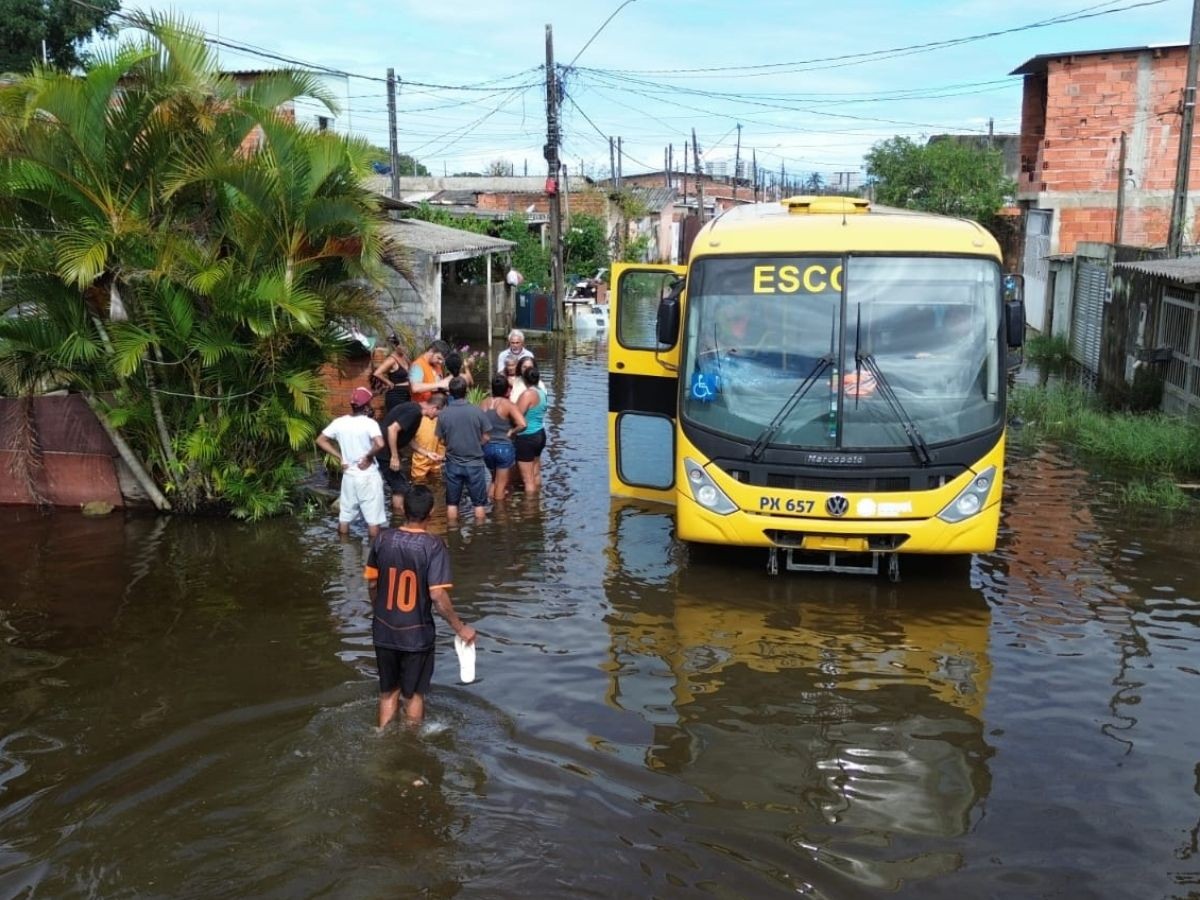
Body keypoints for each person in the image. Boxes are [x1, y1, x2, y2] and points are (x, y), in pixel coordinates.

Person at [364, 485, 477, 728]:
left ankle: (382, 737)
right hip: (416, 634)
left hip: (383, 629)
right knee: (413, 694)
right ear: (431, 511)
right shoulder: (433, 545)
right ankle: (412, 747)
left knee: (387, 692)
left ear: (403, 509)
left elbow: (372, 583)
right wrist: (460, 628)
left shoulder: (382, 539)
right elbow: (437, 595)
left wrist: (380, 611)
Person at [316, 386, 387, 540]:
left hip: (349, 475)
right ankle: (373, 555)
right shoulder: (370, 423)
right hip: (368, 475)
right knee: (373, 520)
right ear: (367, 405)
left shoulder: (339, 422)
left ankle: (346, 557)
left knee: (345, 517)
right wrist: (368, 457)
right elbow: (380, 444)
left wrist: (340, 456)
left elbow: (320, 440)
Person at [435, 376, 491, 522]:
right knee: (479, 505)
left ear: (450, 393)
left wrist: (451, 444)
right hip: (474, 463)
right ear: (466, 391)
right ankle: (480, 535)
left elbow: (440, 439)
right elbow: (487, 436)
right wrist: (477, 444)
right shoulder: (477, 411)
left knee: (452, 504)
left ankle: (453, 533)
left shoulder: (443, 414)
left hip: (453, 464)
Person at [377, 398, 441, 512]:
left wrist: (427, 454)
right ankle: (399, 517)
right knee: (401, 488)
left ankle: (396, 517)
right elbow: (392, 429)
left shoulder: (416, 412)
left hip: (386, 451)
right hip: (385, 452)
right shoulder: (414, 412)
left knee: (399, 487)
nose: (436, 417)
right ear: (434, 408)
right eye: (437, 414)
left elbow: (409, 439)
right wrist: (394, 456)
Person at [479, 373, 526, 501]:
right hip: (503, 447)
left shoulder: (483, 403)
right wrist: (512, 431)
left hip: (486, 447)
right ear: (507, 390)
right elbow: (522, 424)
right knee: (502, 485)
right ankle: (499, 515)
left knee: (494, 480)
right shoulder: (508, 405)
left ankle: (488, 506)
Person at [514, 363, 548, 494]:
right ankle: (539, 499)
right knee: (535, 472)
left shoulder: (527, 394)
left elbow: (516, 415)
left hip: (527, 436)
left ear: (524, 379)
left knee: (527, 480)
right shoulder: (542, 393)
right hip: (540, 434)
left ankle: (530, 508)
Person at [410, 393, 447, 483]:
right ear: (435, 408)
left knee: (436, 480)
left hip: (436, 462)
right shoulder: (418, 414)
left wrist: (443, 456)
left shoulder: (438, 418)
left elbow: (442, 441)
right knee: (419, 484)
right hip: (421, 464)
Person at [371, 335, 411, 411]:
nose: (405, 348)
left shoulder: (404, 358)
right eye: (402, 346)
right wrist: (388, 382)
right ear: (396, 346)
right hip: (396, 395)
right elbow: (377, 373)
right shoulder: (391, 360)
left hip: (406, 394)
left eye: (406, 346)